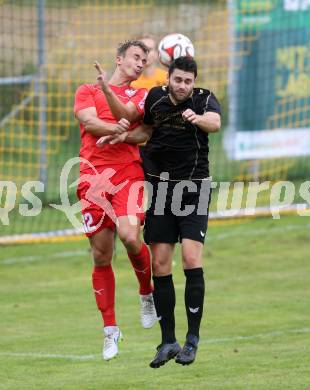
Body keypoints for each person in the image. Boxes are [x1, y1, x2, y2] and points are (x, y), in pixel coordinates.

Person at [97, 56, 221, 367]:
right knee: (161, 264)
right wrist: (122, 135)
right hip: (162, 191)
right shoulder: (154, 98)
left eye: (188, 81)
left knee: (192, 259)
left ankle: (192, 340)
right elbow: (145, 132)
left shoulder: (204, 99)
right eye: (178, 80)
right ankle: (168, 341)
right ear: (169, 79)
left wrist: (197, 118)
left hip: (193, 189)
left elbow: (215, 124)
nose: (183, 86)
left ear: (194, 81)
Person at [73, 40, 157, 361]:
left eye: (144, 60)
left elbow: (145, 131)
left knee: (130, 235)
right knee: (100, 256)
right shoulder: (86, 90)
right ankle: (110, 330)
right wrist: (115, 127)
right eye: (136, 57)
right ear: (119, 59)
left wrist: (124, 131)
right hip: (92, 178)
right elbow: (89, 122)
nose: (141, 63)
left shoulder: (143, 96)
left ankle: (146, 293)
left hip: (127, 173)